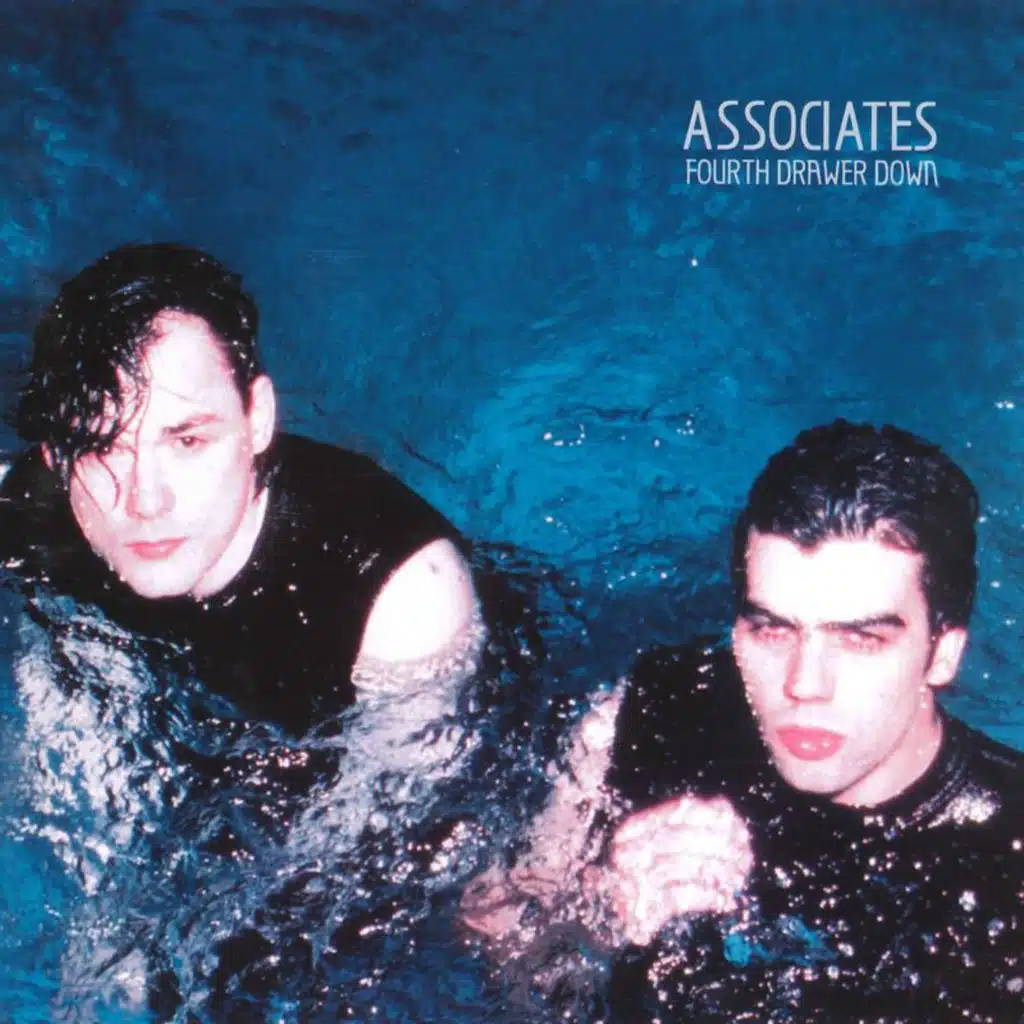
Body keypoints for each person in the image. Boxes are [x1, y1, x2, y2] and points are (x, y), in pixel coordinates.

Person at [463, 420, 1023, 1022]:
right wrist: (596, 915)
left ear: (943, 653)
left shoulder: (1006, 862)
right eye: (773, 629)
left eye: (860, 639)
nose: (803, 684)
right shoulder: (655, 709)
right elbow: (488, 930)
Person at [1, 241, 483, 737]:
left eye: (188, 441)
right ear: (55, 456)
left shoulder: (399, 596)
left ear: (258, 419)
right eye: (104, 448)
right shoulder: (32, 509)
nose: (146, 501)